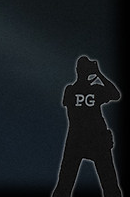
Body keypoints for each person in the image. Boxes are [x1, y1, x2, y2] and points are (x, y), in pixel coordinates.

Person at [54, 55, 123, 197]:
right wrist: (99, 74)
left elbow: (116, 95)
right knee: (109, 185)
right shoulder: (95, 90)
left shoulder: (70, 90)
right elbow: (115, 94)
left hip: (77, 140)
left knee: (64, 185)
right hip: (95, 139)